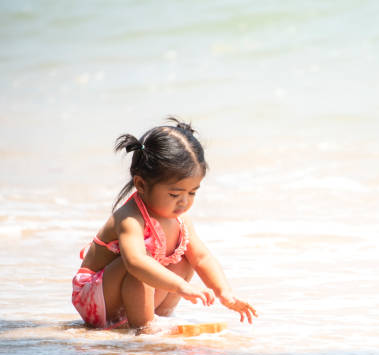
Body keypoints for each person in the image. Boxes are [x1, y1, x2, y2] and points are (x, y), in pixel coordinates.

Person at [72, 117, 257, 332]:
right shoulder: (130, 218)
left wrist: (224, 293)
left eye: (192, 193)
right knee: (142, 265)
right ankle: (144, 328)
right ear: (141, 184)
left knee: (186, 258)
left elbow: (202, 257)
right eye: (175, 194)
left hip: (126, 296)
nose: (184, 202)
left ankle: (160, 318)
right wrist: (182, 287)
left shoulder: (180, 218)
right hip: (95, 299)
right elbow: (135, 263)